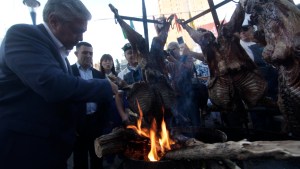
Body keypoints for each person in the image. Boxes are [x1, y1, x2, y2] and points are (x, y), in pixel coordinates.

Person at [0, 1, 118, 169]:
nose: (81, 38)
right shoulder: (21, 35)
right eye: (77, 31)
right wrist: (105, 86)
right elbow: (52, 85)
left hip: (51, 151)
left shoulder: (59, 52)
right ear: (54, 21)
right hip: (25, 151)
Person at [70, 42, 106, 169]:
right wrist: (71, 125)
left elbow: (104, 100)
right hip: (78, 124)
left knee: (97, 157)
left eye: (91, 53)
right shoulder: (69, 72)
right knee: (80, 159)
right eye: (85, 52)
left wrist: (103, 122)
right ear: (76, 53)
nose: (89, 56)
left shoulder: (99, 75)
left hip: (96, 122)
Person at [166, 41, 208, 127]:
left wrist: (174, 60)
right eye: (168, 50)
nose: (171, 51)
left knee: (194, 113)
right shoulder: (169, 63)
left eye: (173, 49)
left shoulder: (186, 57)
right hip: (178, 94)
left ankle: (198, 133)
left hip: (190, 92)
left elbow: (189, 70)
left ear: (178, 49)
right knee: (181, 119)